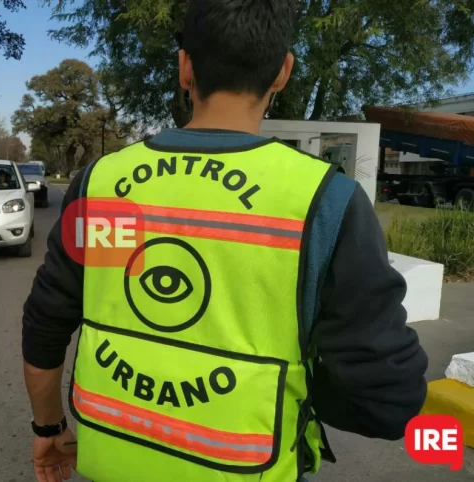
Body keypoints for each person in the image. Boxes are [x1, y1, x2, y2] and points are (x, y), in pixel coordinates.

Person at [21, 1, 428, 481]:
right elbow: (387, 398)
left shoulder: (105, 184)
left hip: (112, 460)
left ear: (185, 67)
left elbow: (47, 323)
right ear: (282, 72)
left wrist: (47, 425)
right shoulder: (321, 201)